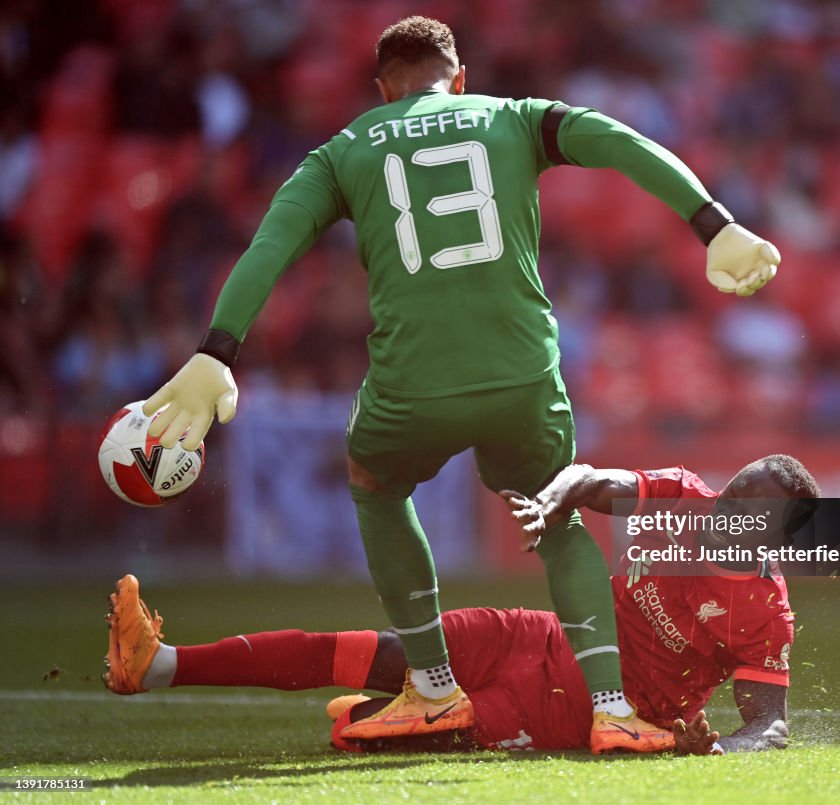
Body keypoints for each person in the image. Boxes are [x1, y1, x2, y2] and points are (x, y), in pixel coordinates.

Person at [137, 15, 781, 751]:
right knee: (556, 506)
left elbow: (271, 246)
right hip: (522, 373)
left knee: (375, 484)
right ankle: (612, 708)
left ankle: (436, 688)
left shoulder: (341, 153)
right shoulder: (513, 117)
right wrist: (714, 222)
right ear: (460, 78)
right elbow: (618, 140)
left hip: (414, 382)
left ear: (383, 91)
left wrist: (217, 349)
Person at [106, 454, 815, 755]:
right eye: (736, 486)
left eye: (750, 503)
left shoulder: (765, 610)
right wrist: (555, 493)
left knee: (364, 733)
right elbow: (594, 478)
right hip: (536, 635)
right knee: (380, 647)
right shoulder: (686, 496)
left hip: (587, 706)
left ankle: (367, 717)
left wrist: (721, 746)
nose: (729, 502)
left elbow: (770, 728)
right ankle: (159, 663)